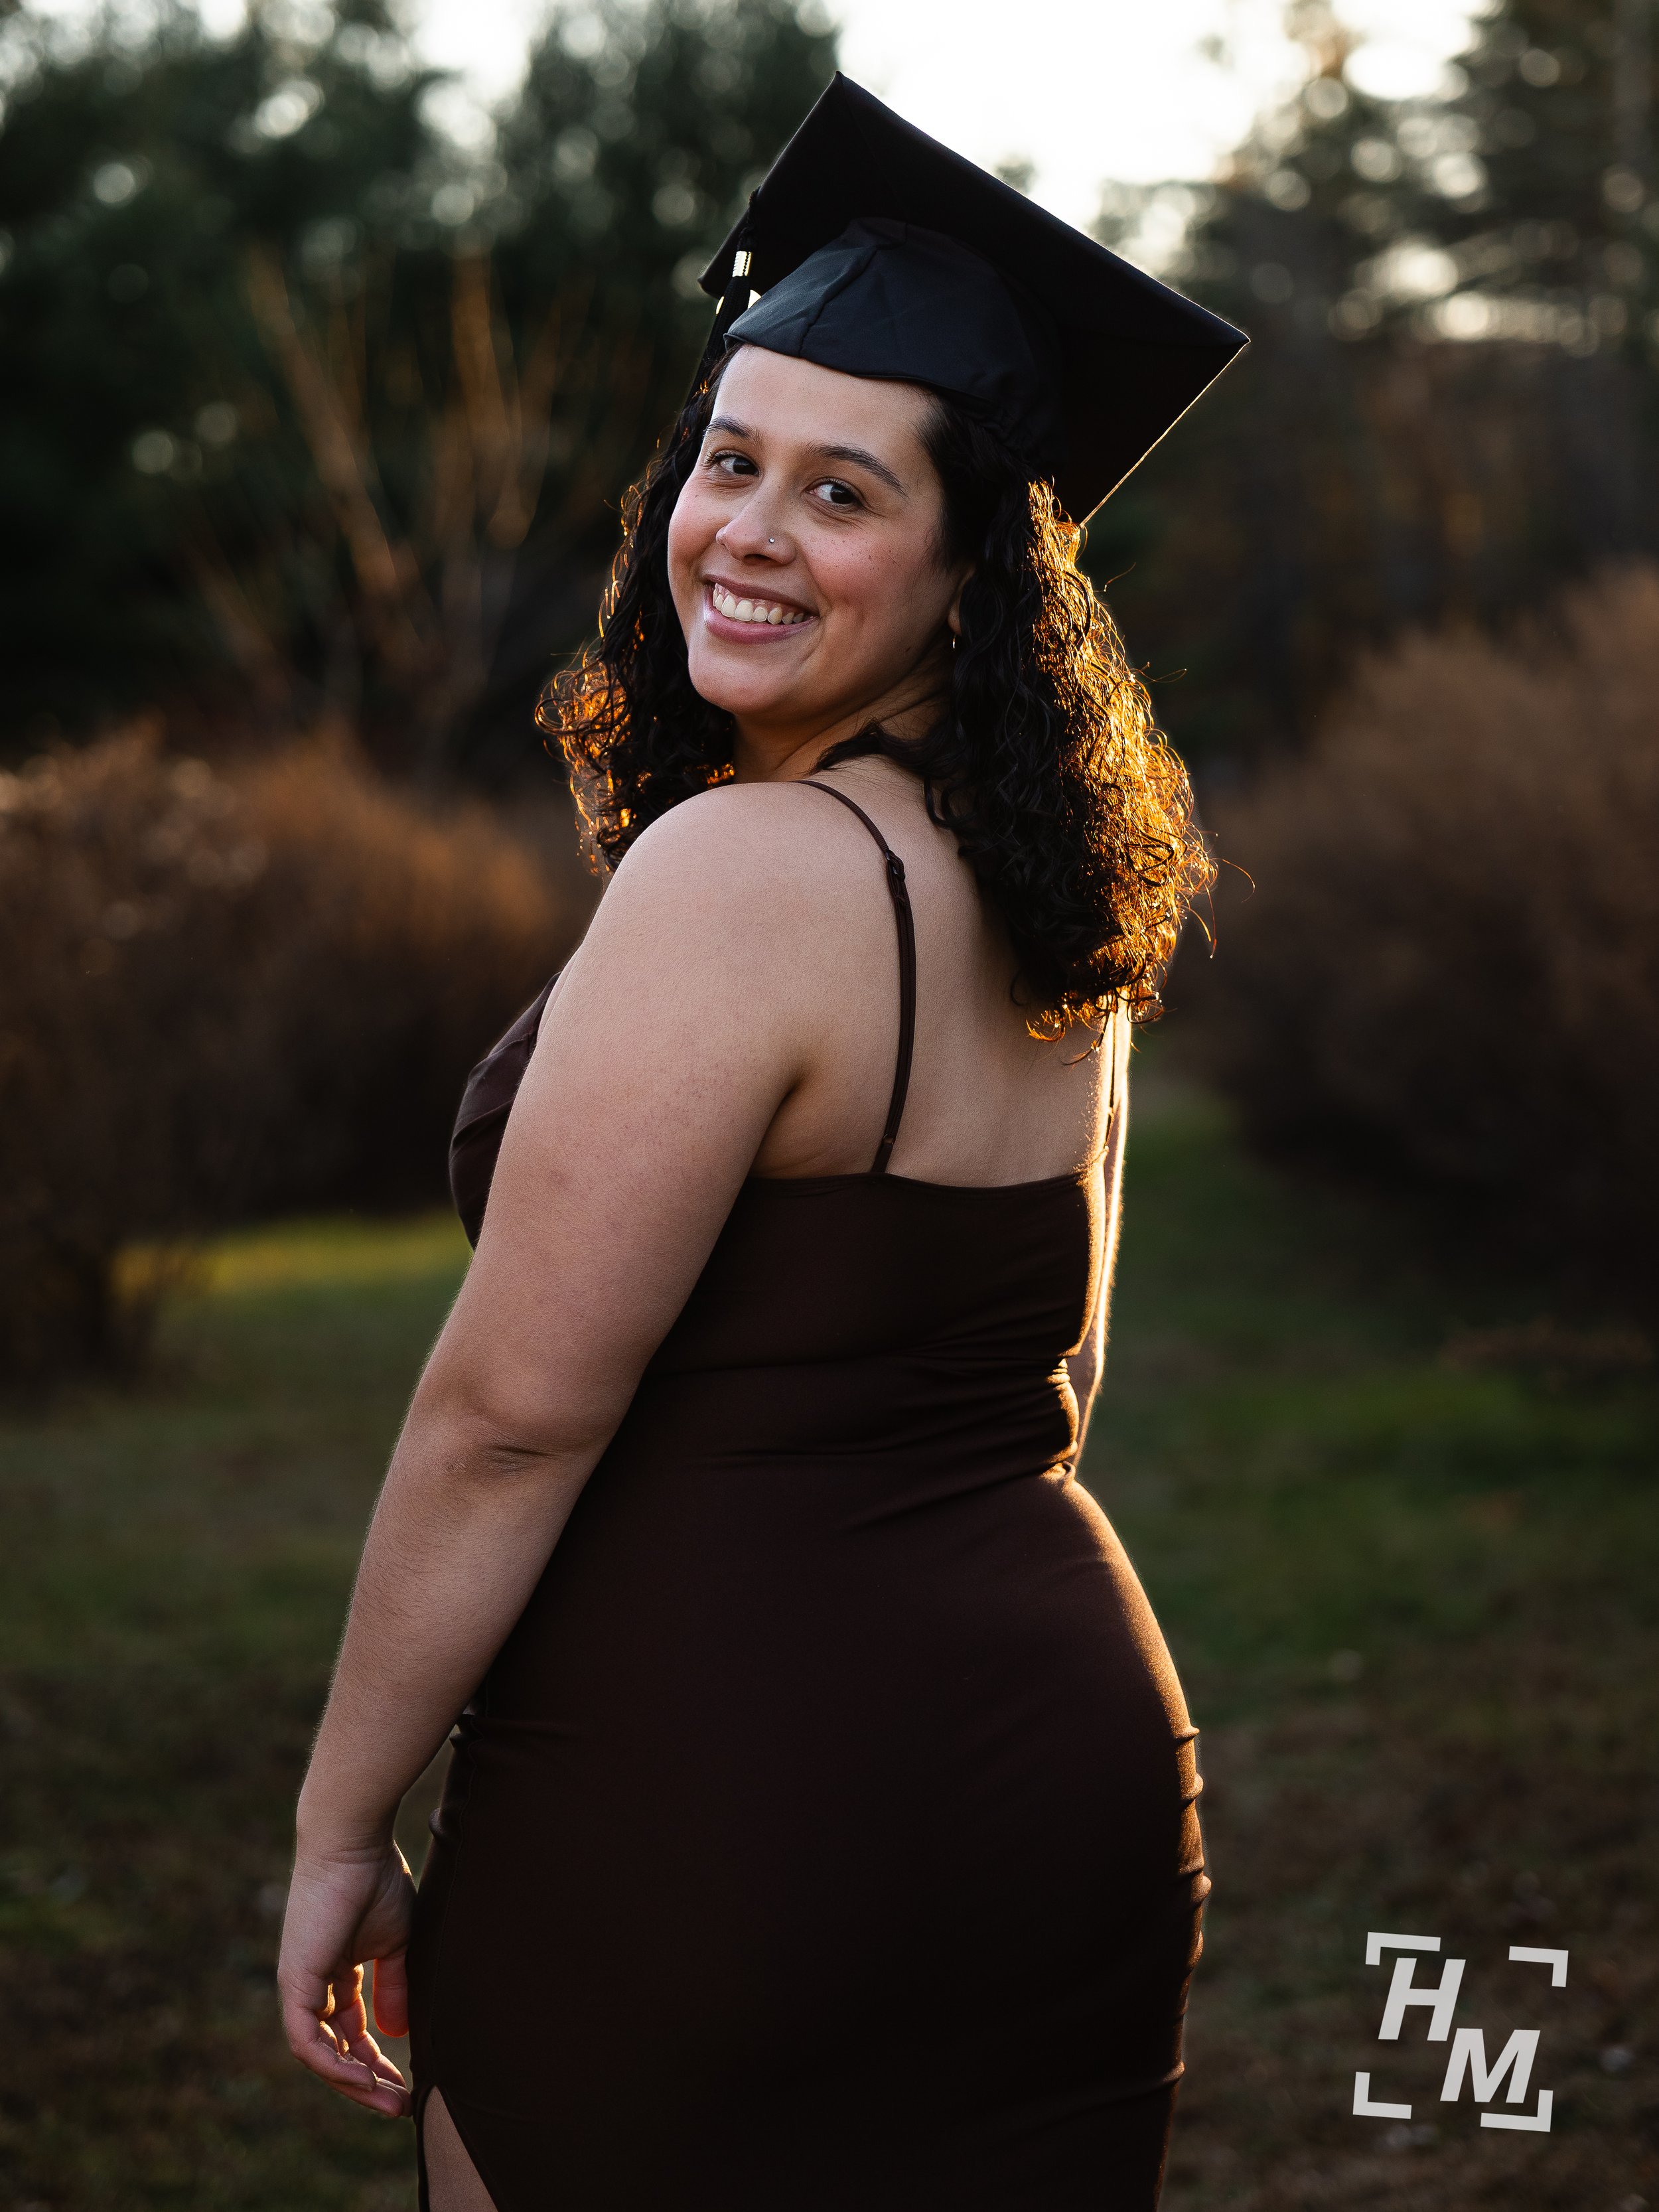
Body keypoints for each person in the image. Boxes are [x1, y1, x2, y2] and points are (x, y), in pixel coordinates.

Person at [277, 74, 1246, 2212]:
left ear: (969, 561)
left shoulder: (746, 873)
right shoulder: (1029, 882)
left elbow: (509, 1416)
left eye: (841, 492)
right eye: (728, 463)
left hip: (723, 1788)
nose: (745, 531)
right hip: (1056, 1765)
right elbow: (1048, 1374)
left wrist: (344, 1825)